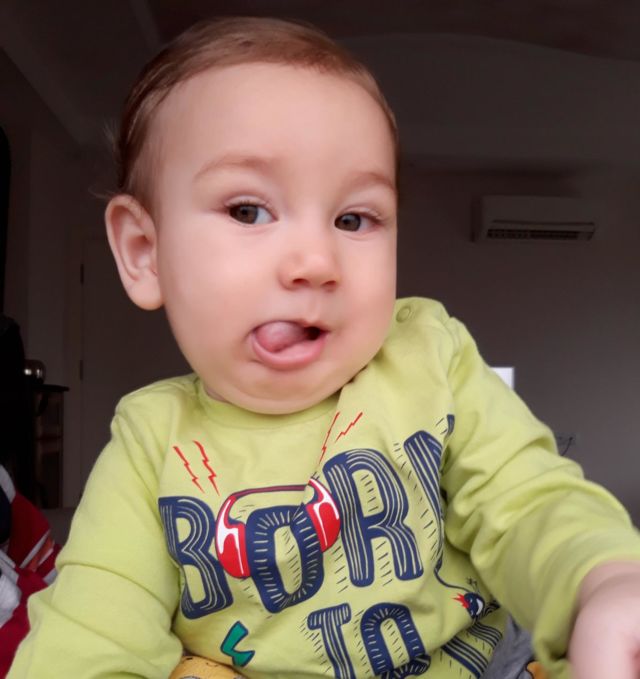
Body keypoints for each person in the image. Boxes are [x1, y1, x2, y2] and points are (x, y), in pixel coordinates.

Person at [9, 16, 640, 679]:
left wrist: (603, 580)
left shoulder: (429, 359)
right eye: (248, 210)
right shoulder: (151, 444)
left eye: (353, 218)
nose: (315, 261)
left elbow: (529, 504)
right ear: (145, 252)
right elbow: (90, 639)